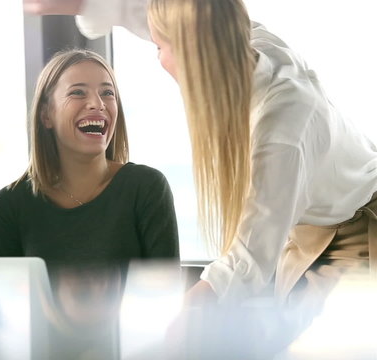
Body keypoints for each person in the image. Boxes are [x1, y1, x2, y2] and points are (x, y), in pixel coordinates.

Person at [24, 0, 377, 309]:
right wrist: (90, 4)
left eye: (159, 47)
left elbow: (247, 261)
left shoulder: (282, 134)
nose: (158, 56)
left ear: (193, 57)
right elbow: (184, 17)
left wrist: (182, 316)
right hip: (310, 232)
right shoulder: (247, 43)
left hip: (355, 234)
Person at [0, 49, 179, 267]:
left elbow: (165, 295)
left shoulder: (147, 187)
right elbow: (7, 298)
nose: (98, 104)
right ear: (46, 115)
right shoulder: (11, 204)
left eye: (107, 93)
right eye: (78, 92)